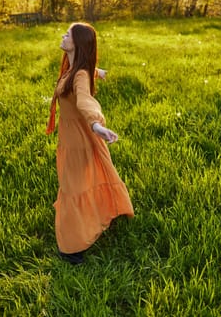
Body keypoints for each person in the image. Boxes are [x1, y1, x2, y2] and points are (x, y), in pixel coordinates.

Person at [46, 22, 134, 264]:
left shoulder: (80, 75)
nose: (63, 36)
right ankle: (104, 210)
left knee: (73, 188)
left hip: (80, 140)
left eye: (68, 34)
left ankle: (72, 248)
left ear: (78, 44)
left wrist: (96, 125)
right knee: (80, 180)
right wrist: (99, 71)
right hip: (72, 138)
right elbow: (82, 74)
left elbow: (85, 99)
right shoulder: (76, 69)